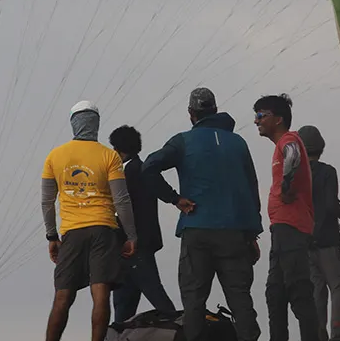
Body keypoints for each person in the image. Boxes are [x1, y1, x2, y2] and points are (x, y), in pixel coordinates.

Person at [143, 87, 263, 341]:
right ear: (216, 110)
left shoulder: (183, 141)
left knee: (194, 301)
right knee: (241, 299)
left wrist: (174, 199)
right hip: (235, 232)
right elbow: (251, 190)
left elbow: (148, 168)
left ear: (191, 114)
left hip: (197, 229)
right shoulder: (238, 143)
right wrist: (252, 234)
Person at [41, 100, 138, 341]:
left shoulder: (54, 156)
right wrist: (131, 236)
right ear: (96, 124)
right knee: (101, 294)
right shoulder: (109, 156)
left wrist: (52, 236)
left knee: (63, 297)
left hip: (72, 232)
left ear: (73, 123)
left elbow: (46, 202)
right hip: (103, 230)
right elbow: (122, 200)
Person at [109, 124, 193, 322]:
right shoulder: (139, 168)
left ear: (117, 149)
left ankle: (180, 330)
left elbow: (125, 208)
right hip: (133, 247)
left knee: (157, 297)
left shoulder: (132, 171)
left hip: (135, 246)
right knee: (123, 305)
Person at [253, 94, 321, 341]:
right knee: (275, 294)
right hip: (282, 230)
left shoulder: (289, 139)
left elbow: (293, 155)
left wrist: (287, 183)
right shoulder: (279, 145)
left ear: (278, 119)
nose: (256, 120)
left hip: (291, 228)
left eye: (261, 115)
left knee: (299, 290)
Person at [298, 125, 340, 341]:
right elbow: (331, 204)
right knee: (339, 289)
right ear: (321, 147)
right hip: (327, 240)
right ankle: (337, 335)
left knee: (317, 293)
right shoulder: (327, 172)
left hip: (305, 240)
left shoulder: (298, 175)